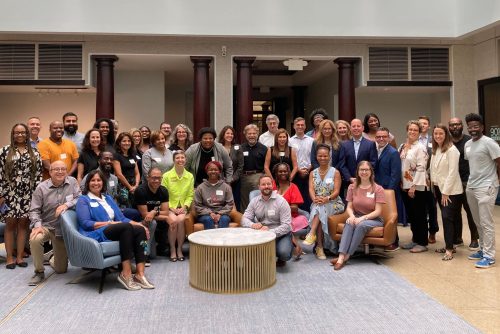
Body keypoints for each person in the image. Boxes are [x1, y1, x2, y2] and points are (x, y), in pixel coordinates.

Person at [76, 169, 154, 290]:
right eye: (93, 180)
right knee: (125, 227)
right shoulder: (83, 200)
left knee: (139, 229)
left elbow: (121, 218)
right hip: (96, 233)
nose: (96, 183)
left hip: (115, 229)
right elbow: (86, 223)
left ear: (103, 183)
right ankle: (126, 274)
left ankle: (140, 274)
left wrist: (141, 225)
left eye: (99, 180)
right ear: (87, 183)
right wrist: (110, 223)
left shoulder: (107, 198)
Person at [28, 161, 80, 285]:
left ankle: (51, 257)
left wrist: (66, 205)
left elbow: (79, 198)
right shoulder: (41, 187)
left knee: (61, 270)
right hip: (46, 225)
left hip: (63, 229)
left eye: (63, 169)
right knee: (35, 238)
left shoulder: (72, 182)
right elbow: (34, 210)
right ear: (50, 172)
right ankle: (39, 272)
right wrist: (37, 226)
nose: (60, 171)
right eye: (56, 169)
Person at [0, 123, 43, 269]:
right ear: (13, 134)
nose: (20, 135)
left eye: (23, 132)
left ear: (27, 134)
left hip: (28, 195)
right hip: (9, 194)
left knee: (24, 225)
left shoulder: (35, 153)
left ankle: (19, 257)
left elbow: (38, 176)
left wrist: (36, 196)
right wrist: (1, 194)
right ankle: (10, 258)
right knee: (10, 225)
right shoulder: (4, 151)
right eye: (17, 132)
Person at [331, 161, 386, 270]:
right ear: (358, 172)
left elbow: (378, 211)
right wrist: (351, 216)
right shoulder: (352, 187)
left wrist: (362, 218)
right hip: (356, 216)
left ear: (371, 172)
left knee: (361, 225)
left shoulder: (378, 189)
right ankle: (341, 256)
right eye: (361, 170)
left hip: (373, 219)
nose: (364, 172)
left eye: (367, 169)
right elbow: (349, 207)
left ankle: (347, 256)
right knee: (349, 223)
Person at [464, 113, 500, 269]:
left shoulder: (489, 142)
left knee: (486, 222)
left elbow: (499, 162)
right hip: (471, 186)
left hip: (487, 186)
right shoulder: (468, 144)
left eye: (476, 126)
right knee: (478, 222)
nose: (473, 129)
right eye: (470, 126)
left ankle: (489, 256)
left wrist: (496, 182)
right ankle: (482, 249)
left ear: (482, 127)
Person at [303, 144, 345, 259]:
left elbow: (337, 191)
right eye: (320, 156)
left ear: (329, 156)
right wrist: (315, 199)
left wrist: (327, 198)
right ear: (316, 157)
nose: (323, 158)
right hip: (317, 202)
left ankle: (313, 236)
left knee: (320, 209)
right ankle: (320, 247)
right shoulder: (313, 173)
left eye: (325, 156)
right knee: (320, 209)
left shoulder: (335, 172)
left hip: (334, 202)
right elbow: (311, 190)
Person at [241, 175, 293, 267]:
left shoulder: (281, 201)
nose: (266, 186)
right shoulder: (254, 201)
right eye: (263, 184)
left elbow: (287, 226)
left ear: (272, 185)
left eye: (268, 184)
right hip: (261, 234)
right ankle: (268, 252)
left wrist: (269, 232)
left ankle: (285, 249)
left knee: (284, 253)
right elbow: (244, 219)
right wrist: (252, 225)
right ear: (259, 187)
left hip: (280, 234)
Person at [430, 124, 463, 261]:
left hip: (451, 191)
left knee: (447, 218)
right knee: (450, 218)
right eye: (436, 134)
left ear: (446, 135)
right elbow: (434, 169)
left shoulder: (452, 150)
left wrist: (445, 192)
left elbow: (452, 172)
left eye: (440, 134)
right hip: (438, 187)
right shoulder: (436, 148)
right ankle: (451, 244)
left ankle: (449, 250)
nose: (438, 136)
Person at [448, 117, 479, 250]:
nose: (455, 127)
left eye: (458, 124)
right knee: (454, 212)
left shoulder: (469, 141)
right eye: (452, 125)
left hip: (468, 181)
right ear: (449, 127)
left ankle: (474, 238)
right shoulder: (447, 142)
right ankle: (457, 238)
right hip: (453, 182)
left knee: (470, 211)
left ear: (462, 126)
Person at [400, 120, 429, 253]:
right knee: (412, 215)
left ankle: (422, 242)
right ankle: (415, 240)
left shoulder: (420, 147)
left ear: (419, 132)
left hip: (417, 187)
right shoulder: (403, 146)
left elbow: (421, 168)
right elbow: (402, 166)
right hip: (404, 185)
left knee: (420, 215)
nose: (412, 132)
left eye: (415, 130)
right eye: (410, 129)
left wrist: (413, 186)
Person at [374, 127, 404, 252]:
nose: (381, 139)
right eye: (379, 136)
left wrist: (389, 192)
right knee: (380, 215)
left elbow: (395, 175)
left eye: (384, 136)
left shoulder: (392, 152)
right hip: (376, 189)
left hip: (388, 190)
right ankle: (382, 240)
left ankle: (393, 241)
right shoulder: (374, 151)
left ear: (388, 137)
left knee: (390, 217)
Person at [161, 150, 193, 261]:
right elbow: (163, 195)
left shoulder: (189, 176)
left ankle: (179, 249)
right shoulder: (166, 176)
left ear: (185, 159)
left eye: (182, 158)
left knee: (181, 220)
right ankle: (172, 249)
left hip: (183, 208)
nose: (180, 160)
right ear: (173, 160)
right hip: (169, 207)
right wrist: (172, 208)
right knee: (173, 221)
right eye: (177, 158)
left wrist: (184, 207)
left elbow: (190, 195)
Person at [273, 163, 309, 260]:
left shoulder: (293, 187)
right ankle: (296, 247)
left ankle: (294, 247)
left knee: (286, 224)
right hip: (273, 217)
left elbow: (295, 208)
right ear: (276, 173)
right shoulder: (272, 185)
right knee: (279, 224)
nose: (283, 173)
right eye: (280, 171)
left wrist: (280, 207)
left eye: (285, 171)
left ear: (289, 172)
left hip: (291, 217)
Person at [194, 161, 234, 229]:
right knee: (208, 219)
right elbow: (197, 205)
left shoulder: (226, 187)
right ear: (207, 171)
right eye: (211, 170)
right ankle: (210, 240)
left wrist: (220, 213)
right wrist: (210, 213)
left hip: (223, 214)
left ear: (219, 172)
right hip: (205, 215)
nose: (213, 171)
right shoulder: (200, 188)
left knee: (224, 219)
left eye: (216, 170)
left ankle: (222, 239)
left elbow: (230, 204)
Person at [338, 118, 378, 186]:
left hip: (366, 181)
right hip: (349, 182)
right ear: (350, 129)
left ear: (363, 128)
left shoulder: (371, 144)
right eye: (353, 126)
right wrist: (349, 178)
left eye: (358, 126)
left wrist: (363, 176)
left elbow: (373, 162)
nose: (356, 128)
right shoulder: (344, 145)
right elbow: (342, 164)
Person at [418, 115, 439, 243]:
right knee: (420, 207)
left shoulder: (434, 140)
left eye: (425, 123)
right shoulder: (413, 139)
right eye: (420, 123)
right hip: (417, 179)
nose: (422, 126)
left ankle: (432, 232)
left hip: (431, 178)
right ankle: (420, 233)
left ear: (429, 126)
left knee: (432, 207)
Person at [240, 124, 268, 211]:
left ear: (257, 134)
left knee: (257, 199)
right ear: (245, 135)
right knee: (244, 200)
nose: (252, 135)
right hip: (244, 177)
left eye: (254, 133)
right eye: (249, 134)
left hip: (258, 176)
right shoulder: (241, 148)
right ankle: (244, 219)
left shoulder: (263, 148)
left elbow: (266, 165)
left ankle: (258, 217)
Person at [289, 117, 314, 211]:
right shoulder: (290, 141)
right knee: (296, 197)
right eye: (298, 125)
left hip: (309, 173)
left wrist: (308, 169)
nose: (300, 127)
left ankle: (308, 217)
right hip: (296, 174)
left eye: (302, 125)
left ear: (305, 126)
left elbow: (314, 157)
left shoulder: (311, 141)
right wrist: (298, 170)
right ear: (294, 126)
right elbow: (290, 159)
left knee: (308, 196)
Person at [217, 125, 243, 209]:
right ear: (223, 135)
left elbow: (240, 166)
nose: (230, 135)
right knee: (221, 201)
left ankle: (236, 219)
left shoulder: (238, 147)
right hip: (220, 181)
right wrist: (223, 179)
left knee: (235, 201)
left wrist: (232, 178)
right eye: (227, 133)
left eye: (232, 134)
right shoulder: (218, 148)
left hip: (235, 181)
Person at [113, 132, 141, 208]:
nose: (127, 143)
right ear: (119, 143)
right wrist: (130, 187)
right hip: (123, 186)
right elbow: (119, 174)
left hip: (134, 185)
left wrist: (136, 185)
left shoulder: (132, 155)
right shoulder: (116, 156)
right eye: (124, 141)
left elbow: (137, 173)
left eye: (129, 141)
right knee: (125, 208)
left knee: (136, 207)